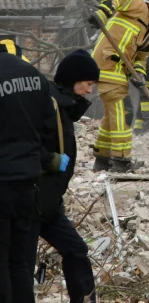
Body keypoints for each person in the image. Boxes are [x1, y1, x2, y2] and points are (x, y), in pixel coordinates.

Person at [31, 49, 98, 303]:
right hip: (30, 202)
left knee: (77, 250)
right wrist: (51, 161)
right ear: (72, 80)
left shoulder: (63, 107)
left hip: (48, 204)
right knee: (21, 265)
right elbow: (24, 143)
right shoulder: (47, 104)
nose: (90, 90)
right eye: (88, 83)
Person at [0, 41, 62, 301]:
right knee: (18, 260)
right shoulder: (33, 75)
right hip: (28, 184)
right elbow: (49, 128)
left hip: (2, 183)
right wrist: (44, 159)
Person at [88, 0, 149, 172]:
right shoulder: (139, 5)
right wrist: (103, 12)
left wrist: (139, 74)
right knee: (124, 112)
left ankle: (102, 159)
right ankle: (122, 160)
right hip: (108, 65)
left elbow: (140, 58)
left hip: (117, 71)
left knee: (112, 116)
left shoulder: (148, 29)